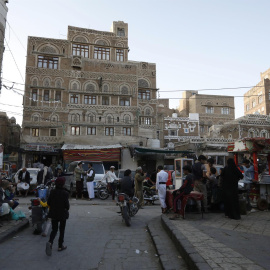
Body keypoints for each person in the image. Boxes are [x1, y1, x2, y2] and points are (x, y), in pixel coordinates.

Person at [46, 177, 69, 256]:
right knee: (62, 230)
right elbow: (67, 206)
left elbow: (48, 203)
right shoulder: (65, 193)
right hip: (62, 214)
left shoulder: (52, 192)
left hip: (53, 213)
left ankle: (50, 242)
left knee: (54, 229)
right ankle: (60, 246)